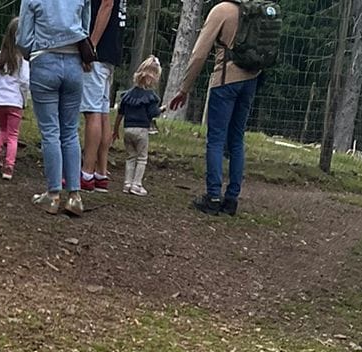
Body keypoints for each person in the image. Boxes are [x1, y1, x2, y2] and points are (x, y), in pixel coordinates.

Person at [168, 0, 273, 215]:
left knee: (215, 139)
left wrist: (184, 88)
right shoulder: (257, 10)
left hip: (225, 80)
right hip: (251, 79)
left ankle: (213, 196)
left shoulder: (222, 10)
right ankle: (232, 198)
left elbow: (199, 54)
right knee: (236, 140)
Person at [17, 0, 92, 216]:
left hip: (44, 59)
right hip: (74, 64)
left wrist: (32, 51)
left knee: (50, 130)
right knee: (70, 130)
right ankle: (75, 196)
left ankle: (53, 195)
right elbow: (84, 28)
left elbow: (23, 37)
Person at [80, 0, 125, 189]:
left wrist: (91, 46)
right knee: (102, 110)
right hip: (110, 50)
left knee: (92, 112)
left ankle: (86, 173)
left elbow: (106, 4)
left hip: (98, 52)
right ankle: (101, 172)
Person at [0, 17, 31, 181]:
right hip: (15, 102)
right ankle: (9, 167)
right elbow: (25, 82)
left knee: (2, 130)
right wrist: (23, 99)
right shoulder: (23, 60)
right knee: (13, 135)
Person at [118, 55, 162, 194]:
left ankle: (127, 183)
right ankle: (136, 184)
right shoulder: (150, 97)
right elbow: (153, 113)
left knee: (130, 157)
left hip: (127, 130)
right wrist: (162, 109)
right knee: (142, 158)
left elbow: (120, 112)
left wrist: (115, 130)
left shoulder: (127, 95)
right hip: (141, 131)